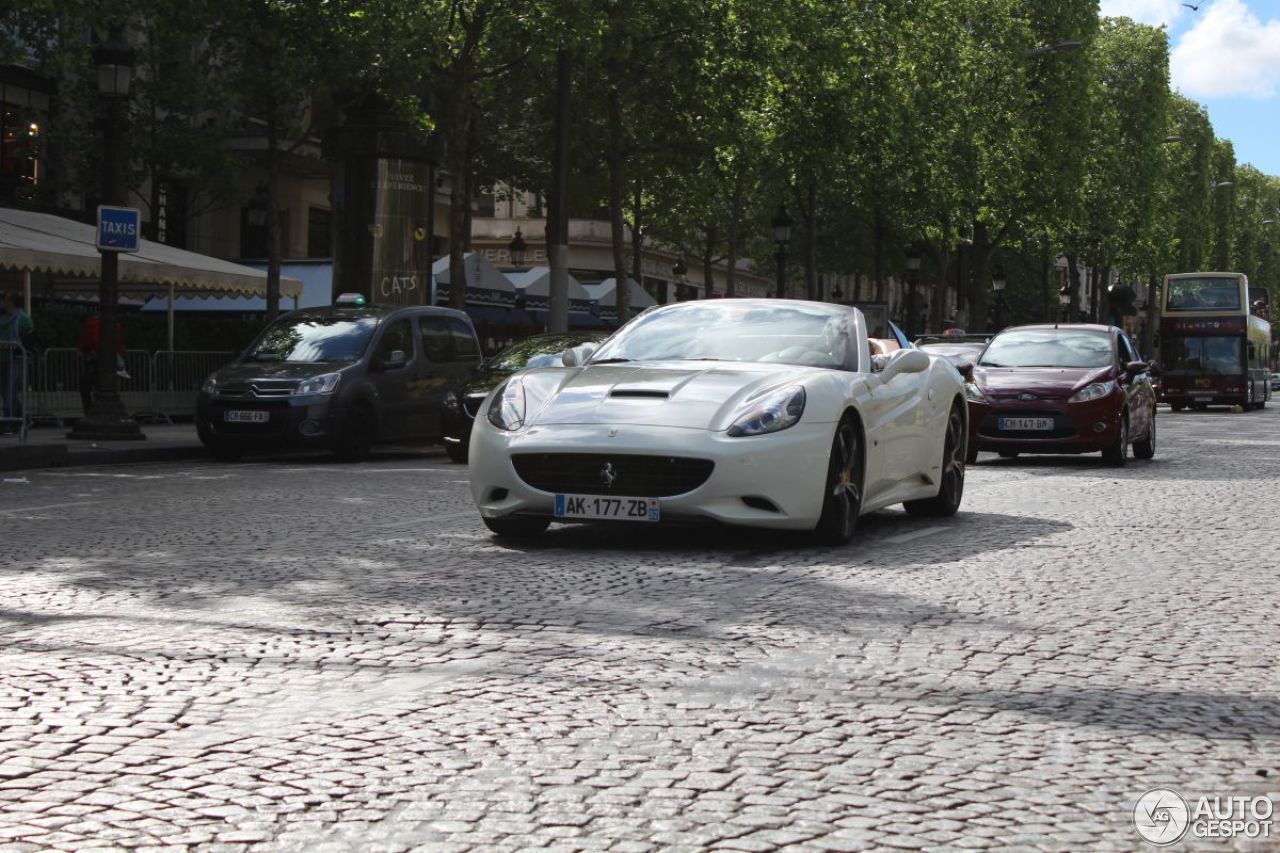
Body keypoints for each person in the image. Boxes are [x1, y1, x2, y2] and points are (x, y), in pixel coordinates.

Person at [78, 314, 129, 416]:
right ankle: (105, 411)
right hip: (106, 358)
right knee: (105, 386)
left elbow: (86, 340)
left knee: (86, 386)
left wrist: (82, 349)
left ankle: (89, 411)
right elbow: (117, 342)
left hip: (92, 357)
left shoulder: (92, 323)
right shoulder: (113, 325)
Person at [0, 294, 34, 430]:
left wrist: (16, 345)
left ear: (12, 303)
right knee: (5, 390)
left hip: (15, 358)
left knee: (10, 390)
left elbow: (29, 339)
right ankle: (21, 417)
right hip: (3, 357)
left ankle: (9, 421)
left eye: (6, 301)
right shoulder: (3, 318)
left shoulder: (24, 319)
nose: (4, 303)